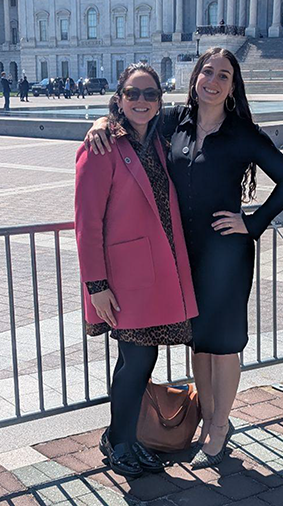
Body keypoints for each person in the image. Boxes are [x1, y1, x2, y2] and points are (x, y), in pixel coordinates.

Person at [85, 48, 283, 469]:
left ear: (233, 85)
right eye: (208, 71)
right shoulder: (175, 122)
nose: (213, 80)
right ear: (196, 77)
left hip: (225, 252)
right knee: (199, 343)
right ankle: (206, 420)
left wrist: (252, 223)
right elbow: (131, 119)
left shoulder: (242, 133)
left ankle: (219, 427)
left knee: (223, 346)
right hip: (185, 253)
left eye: (224, 75)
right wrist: (100, 121)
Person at [75, 62, 198, 478]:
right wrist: (96, 285)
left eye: (150, 94)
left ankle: (120, 437)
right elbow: (87, 222)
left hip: (159, 272)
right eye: (133, 93)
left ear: (160, 100)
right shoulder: (103, 145)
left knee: (135, 362)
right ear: (119, 98)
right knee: (137, 360)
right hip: (125, 279)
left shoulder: (160, 139)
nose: (141, 101)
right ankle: (121, 443)